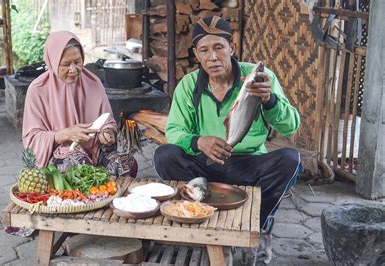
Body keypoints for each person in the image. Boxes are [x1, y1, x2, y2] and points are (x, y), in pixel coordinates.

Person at [153, 16, 301, 231]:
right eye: (204, 50)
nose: (212, 57)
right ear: (195, 54)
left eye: (219, 47)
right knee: (164, 155)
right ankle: (196, 210)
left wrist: (270, 100)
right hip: (204, 164)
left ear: (232, 48)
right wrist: (198, 142)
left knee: (290, 160)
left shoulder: (259, 77)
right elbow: (174, 130)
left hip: (249, 163)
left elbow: (291, 126)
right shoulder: (188, 85)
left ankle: (258, 222)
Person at [22, 31, 137, 177]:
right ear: (53, 61)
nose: (73, 69)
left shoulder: (93, 82)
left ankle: (112, 199)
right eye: (65, 64)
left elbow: (107, 121)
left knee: (126, 165)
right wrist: (64, 134)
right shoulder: (38, 89)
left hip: (95, 151)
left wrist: (106, 133)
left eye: (77, 62)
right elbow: (32, 140)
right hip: (57, 154)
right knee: (80, 169)